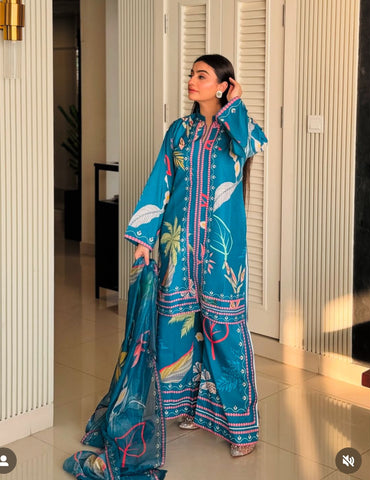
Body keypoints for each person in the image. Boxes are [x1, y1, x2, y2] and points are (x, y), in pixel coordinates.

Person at [125, 54, 267, 457]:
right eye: (191, 74)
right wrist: (144, 238)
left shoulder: (237, 128)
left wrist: (235, 104)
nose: (192, 80)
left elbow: (251, 143)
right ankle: (190, 408)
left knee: (223, 329)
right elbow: (160, 182)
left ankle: (242, 428)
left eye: (202, 76)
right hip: (178, 247)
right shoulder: (179, 131)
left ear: (223, 85)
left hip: (222, 252)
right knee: (178, 325)